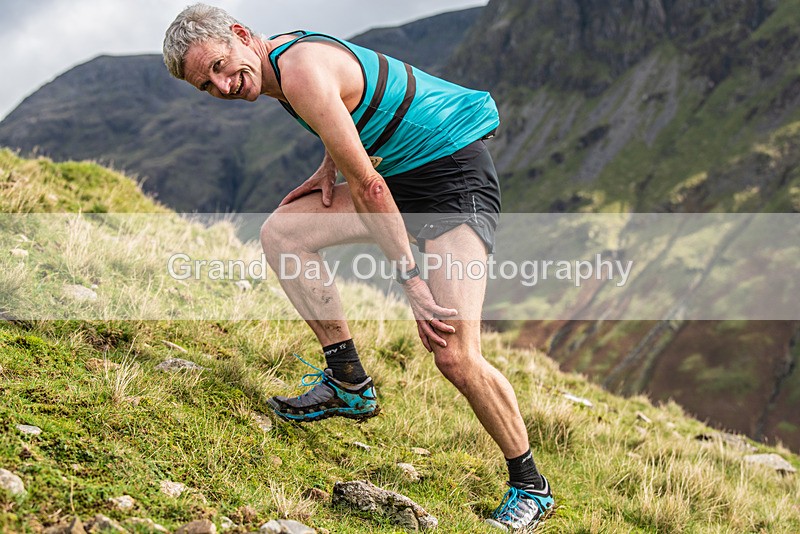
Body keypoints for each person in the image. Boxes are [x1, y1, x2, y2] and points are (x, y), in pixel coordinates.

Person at [163, 4, 554, 530]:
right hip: (402, 177)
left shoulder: (295, 68)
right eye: (206, 86)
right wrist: (330, 165)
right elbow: (345, 106)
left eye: (218, 66)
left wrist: (411, 280)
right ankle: (348, 382)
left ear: (238, 35)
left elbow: (370, 186)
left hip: (452, 179)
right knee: (283, 232)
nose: (222, 85)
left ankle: (531, 484)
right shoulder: (277, 65)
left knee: (454, 352)